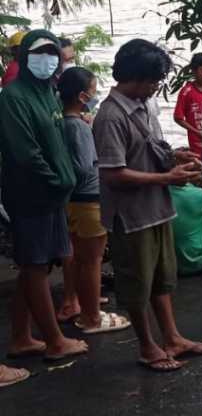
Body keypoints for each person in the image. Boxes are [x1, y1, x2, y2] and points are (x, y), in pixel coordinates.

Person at [93, 39, 202, 372]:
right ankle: (147, 347)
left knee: (162, 279)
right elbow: (114, 174)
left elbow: (151, 148)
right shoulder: (110, 116)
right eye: (153, 81)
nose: (156, 87)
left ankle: (172, 338)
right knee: (137, 284)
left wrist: (174, 156)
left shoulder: (143, 105)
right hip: (131, 217)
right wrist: (166, 179)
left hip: (157, 208)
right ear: (135, 77)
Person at [0, 30, 88, 362]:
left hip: (53, 193)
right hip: (31, 194)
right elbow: (26, 154)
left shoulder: (48, 93)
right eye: (41, 52)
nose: (48, 58)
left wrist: (65, 180)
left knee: (35, 266)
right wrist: (56, 180)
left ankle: (22, 337)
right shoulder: (13, 97)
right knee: (35, 265)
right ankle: (54, 341)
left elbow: (57, 143)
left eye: (53, 52)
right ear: (23, 57)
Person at [57, 67, 130, 334]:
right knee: (92, 261)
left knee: (81, 258)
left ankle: (86, 311)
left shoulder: (64, 123)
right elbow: (86, 166)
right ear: (81, 96)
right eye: (93, 89)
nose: (95, 93)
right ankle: (92, 318)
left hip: (75, 200)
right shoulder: (78, 127)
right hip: (89, 198)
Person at [173, 53, 202, 158]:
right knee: (201, 169)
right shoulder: (186, 92)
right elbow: (178, 118)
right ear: (194, 71)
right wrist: (196, 132)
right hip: (197, 144)